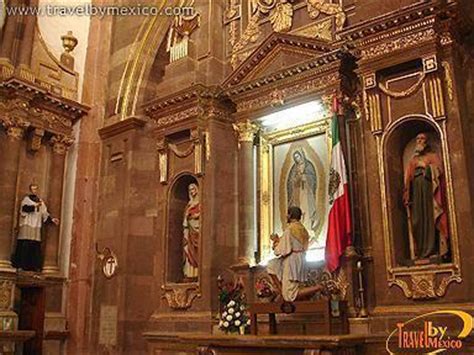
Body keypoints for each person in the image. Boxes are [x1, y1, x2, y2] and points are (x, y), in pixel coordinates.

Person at [403, 133, 449, 260]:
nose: (420, 141)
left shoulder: (432, 156)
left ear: (426, 142)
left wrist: (427, 168)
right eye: (418, 139)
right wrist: (407, 193)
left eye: (422, 139)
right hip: (417, 193)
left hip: (429, 193)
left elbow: (439, 171)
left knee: (430, 219)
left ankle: (432, 250)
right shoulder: (413, 161)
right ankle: (421, 251)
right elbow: (408, 179)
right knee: (417, 220)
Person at [267, 206, 321, 302]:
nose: (286, 216)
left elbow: (282, 250)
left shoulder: (290, 229)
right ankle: (281, 292)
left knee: (289, 295)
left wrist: (275, 243)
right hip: (300, 258)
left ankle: (317, 287)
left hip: (292, 261)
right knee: (271, 265)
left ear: (290, 215)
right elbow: (293, 244)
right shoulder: (303, 230)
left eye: (287, 214)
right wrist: (279, 241)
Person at [12, 184, 59, 271]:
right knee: (24, 243)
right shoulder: (26, 200)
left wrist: (52, 220)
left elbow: (45, 213)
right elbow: (24, 209)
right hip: (27, 224)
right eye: (33, 189)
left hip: (36, 226)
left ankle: (33, 266)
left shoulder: (41, 202)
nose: (34, 191)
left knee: (35, 245)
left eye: (36, 189)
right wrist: (34, 206)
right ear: (30, 190)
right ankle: (21, 265)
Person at [287, 150, 318, 236]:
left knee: (306, 209)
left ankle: (307, 227)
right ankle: (299, 227)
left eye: (298, 157)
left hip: (306, 192)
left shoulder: (308, 166)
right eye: (295, 158)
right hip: (298, 192)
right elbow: (290, 182)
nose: (297, 159)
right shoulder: (294, 169)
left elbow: (313, 179)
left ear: (302, 156)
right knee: (299, 207)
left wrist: (305, 177)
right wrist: (296, 179)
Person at [183, 183, 200, 280]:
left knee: (197, 250)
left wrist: (196, 216)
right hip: (189, 231)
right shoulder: (188, 205)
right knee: (188, 249)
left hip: (197, 231)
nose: (191, 191)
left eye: (193, 189)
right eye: (190, 190)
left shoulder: (200, 204)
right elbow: (185, 218)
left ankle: (197, 272)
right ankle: (189, 273)